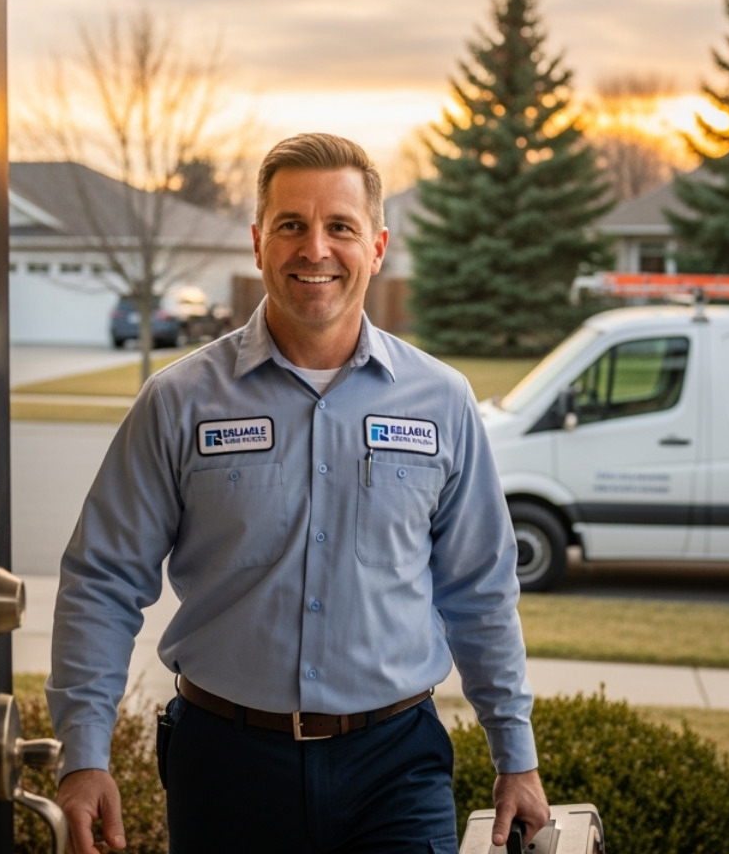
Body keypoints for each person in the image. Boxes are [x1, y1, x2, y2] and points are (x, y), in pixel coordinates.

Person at [48, 132, 550, 854]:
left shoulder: (442, 402)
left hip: (395, 771)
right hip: (226, 768)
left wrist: (517, 757)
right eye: (291, 225)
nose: (315, 249)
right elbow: (101, 580)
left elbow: (480, 590)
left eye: (340, 227)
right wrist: (85, 754)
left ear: (376, 246)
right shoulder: (179, 401)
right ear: (258, 243)